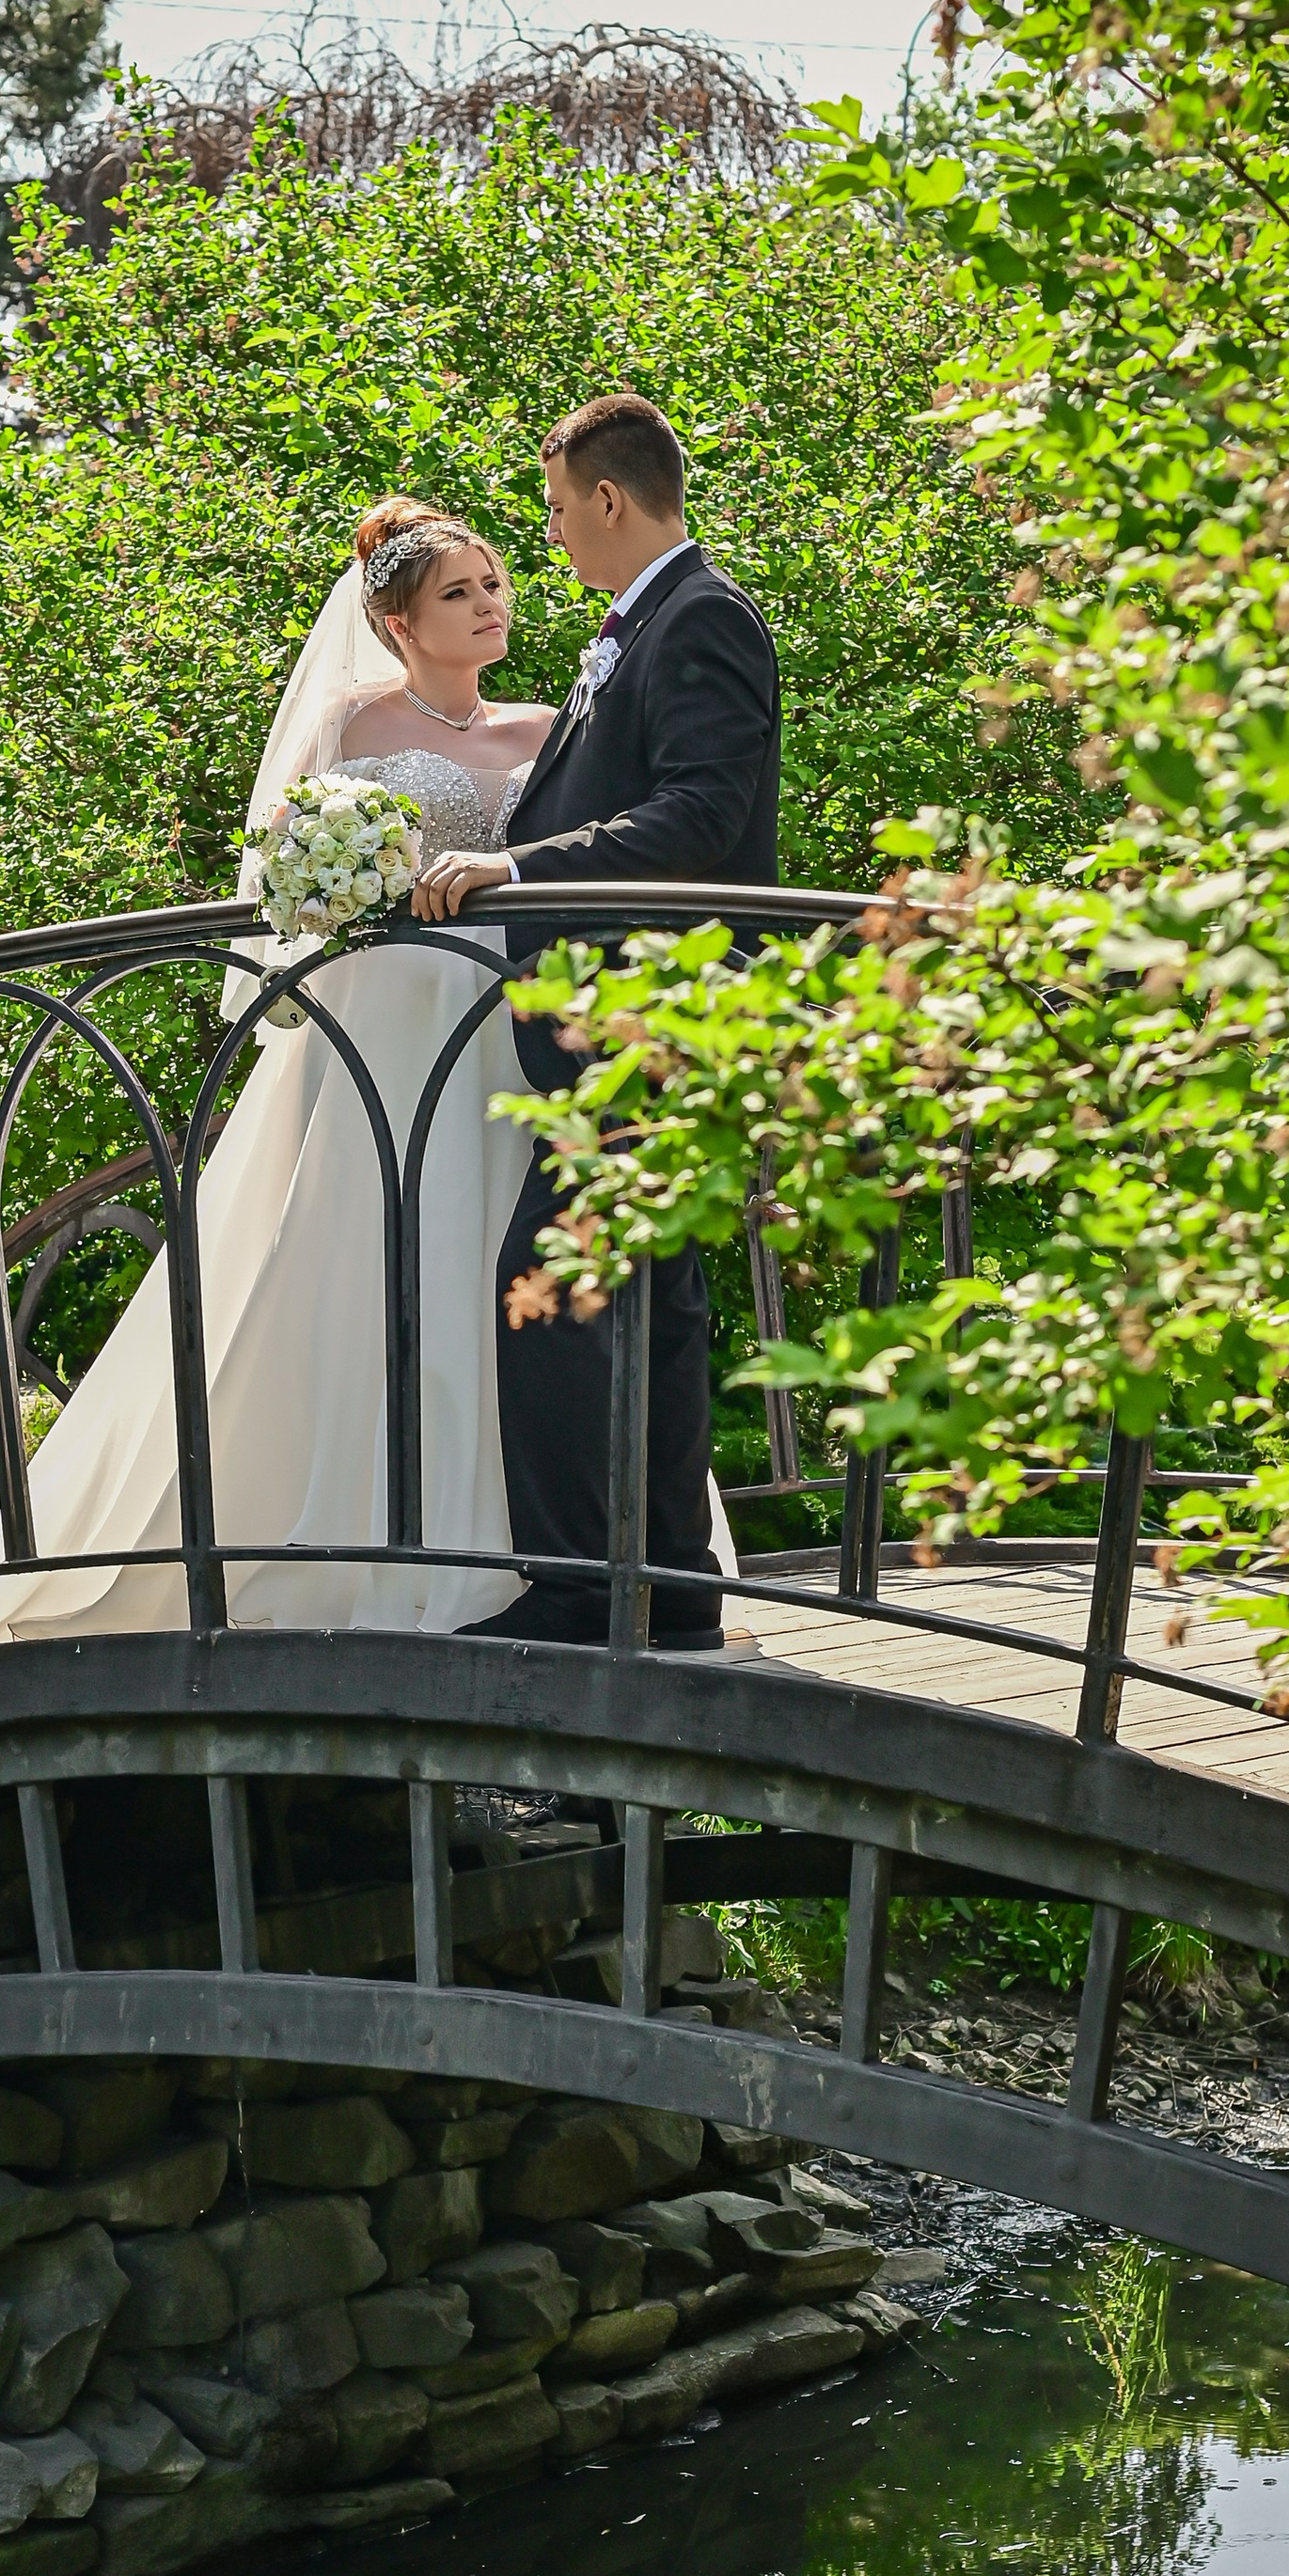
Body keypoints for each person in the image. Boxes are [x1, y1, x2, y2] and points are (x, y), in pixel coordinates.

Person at [0, 498, 556, 1652]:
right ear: (393, 619)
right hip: (388, 1023)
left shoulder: (545, 727)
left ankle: (527, 1544)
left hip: (507, 1026)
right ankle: (357, 1544)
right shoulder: (351, 728)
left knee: (499, 1259)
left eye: (493, 584)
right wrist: (346, 881)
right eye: (459, 593)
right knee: (372, 1259)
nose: (491, 606)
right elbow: (294, 887)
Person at [410, 391, 783, 1649]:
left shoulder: (701, 619)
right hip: (614, 1021)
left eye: (562, 512)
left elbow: (699, 815)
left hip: (645, 1019)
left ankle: (580, 1592)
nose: (557, 538)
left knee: (557, 1282)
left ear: (610, 501)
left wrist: (518, 869)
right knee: (652, 1295)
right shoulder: (652, 622)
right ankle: (668, 1586)